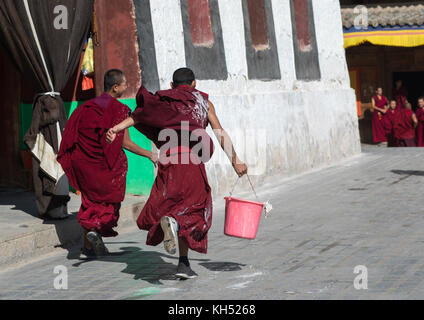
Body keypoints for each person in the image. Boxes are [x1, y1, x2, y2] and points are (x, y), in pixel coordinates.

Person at [106, 68, 248, 279]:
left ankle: (182, 258)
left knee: (173, 205)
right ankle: (182, 258)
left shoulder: (164, 100)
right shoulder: (203, 103)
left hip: (169, 159)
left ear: (171, 86)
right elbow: (220, 134)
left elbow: (139, 115)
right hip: (192, 161)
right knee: (194, 209)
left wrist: (116, 128)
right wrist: (236, 161)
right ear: (194, 84)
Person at [57, 69, 157, 258]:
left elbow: (73, 137)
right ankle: (95, 232)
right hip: (106, 168)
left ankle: (87, 248)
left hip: (86, 165)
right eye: (125, 83)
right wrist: (149, 154)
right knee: (106, 204)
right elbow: (125, 142)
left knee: (90, 203)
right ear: (115, 87)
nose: (127, 86)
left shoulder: (86, 108)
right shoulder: (119, 110)